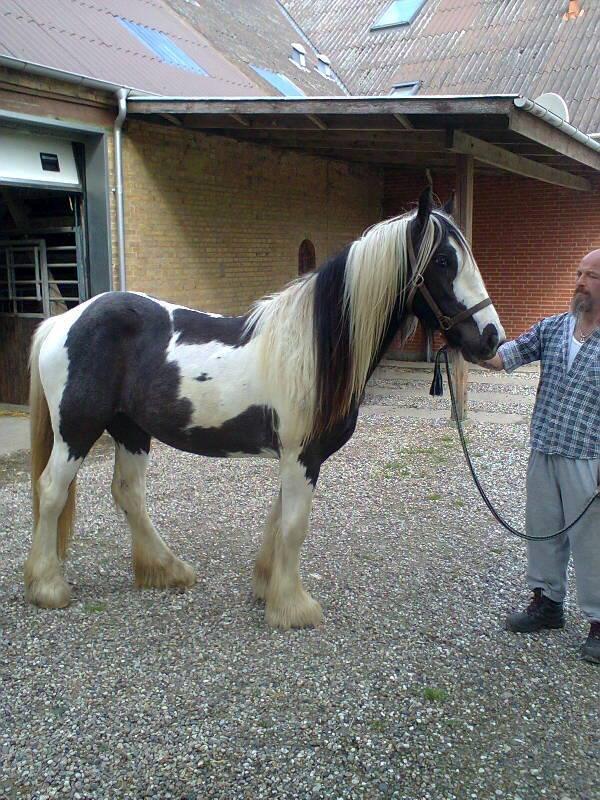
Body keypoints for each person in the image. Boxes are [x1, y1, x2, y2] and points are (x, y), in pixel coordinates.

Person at [484, 249, 600, 664]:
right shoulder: (553, 329)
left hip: (589, 457)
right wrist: (468, 342)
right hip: (544, 448)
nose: (581, 282)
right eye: (579, 273)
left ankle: (598, 623)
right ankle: (547, 603)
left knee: (593, 542)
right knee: (543, 529)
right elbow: (504, 357)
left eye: (591, 275)